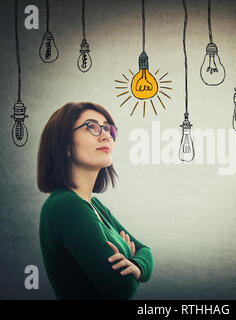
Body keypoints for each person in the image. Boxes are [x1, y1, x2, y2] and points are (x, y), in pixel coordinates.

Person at [37, 102, 153, 300]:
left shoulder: (94, 205)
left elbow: (145, 251)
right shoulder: (66, 206)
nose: (106, 135)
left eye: (108, 128)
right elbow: (122, 289)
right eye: (92, 127)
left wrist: (136, 264)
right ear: (65, 146)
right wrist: (130, 258)